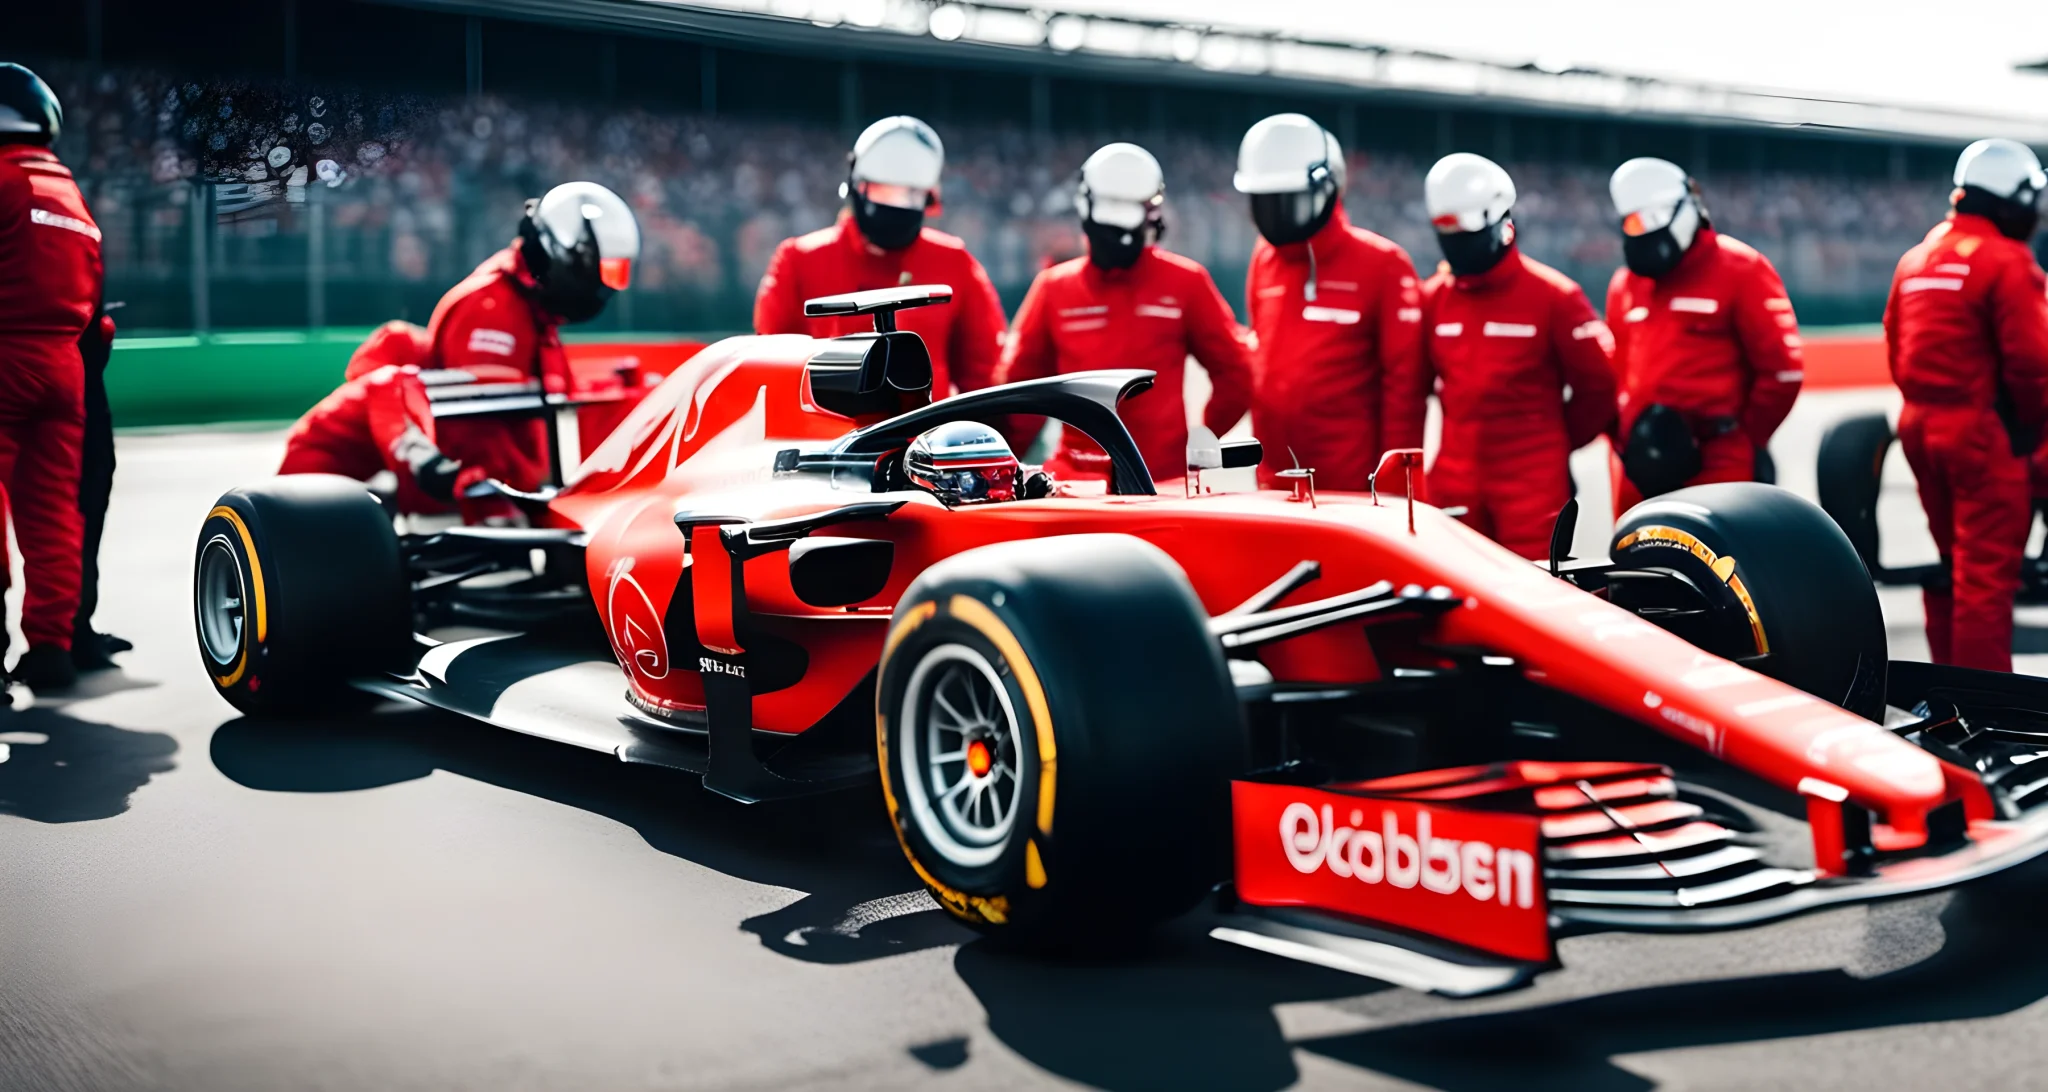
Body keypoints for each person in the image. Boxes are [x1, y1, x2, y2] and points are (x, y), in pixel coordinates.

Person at [996, 142, 1255, 481]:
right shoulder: (1053, 289)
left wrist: (1202, 439)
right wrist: (1002, 466)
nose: (1116, 239)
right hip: (1077, 483)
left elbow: (1236, 372)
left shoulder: (1186, 283)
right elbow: (1017, 391)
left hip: (1162, 483)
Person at [1886, 138, 2048, 672]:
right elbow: (2033, 364)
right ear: (2010, 200)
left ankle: (1949, 698)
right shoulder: (2007, 261)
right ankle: (1986, 714)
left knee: (1949, 565)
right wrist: (2029, 428)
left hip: (1921, 428)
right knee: (1984, 579)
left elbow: (1895, 343)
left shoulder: (1917, 257)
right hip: (1983, 435)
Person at [1418, 153, 1616, 559]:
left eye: (1466, 233)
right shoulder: (1433, 298)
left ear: (1501, 221)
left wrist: (1554, 441)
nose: (1457, 245)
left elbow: (1600, 386)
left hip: (1533, 488)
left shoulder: (1555, 298)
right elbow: (1410, 383)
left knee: (1532, 593)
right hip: (1452, 483)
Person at [418, 181, 639, 519]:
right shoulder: (489, 310)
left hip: (523, 505)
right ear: (561, 259)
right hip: (479, 519)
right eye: (601, 271)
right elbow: (477, 443)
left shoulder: (532, 309)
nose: (603, 286)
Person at [753, 116, 1006, 399]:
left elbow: (985, 378)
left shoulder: (954, 262)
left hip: (926, 438)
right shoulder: (799, 260)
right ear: (858, 189)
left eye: (911, 194)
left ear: (928, 198)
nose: (898, 203)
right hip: (827, 439)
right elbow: (771, 370)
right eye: (885, 191)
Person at [1235, 113, 1424, 492]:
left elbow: (1405, 392)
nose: (1275, 212)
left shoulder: (1383, 264)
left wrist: (1392, 492)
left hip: (1353, 491)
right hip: (1274, 484)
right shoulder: (1263, 258)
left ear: (1328, 188)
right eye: (1265, 200)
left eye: (1286, 200)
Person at [1605, 157, 1804, 516]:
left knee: (1719, 566)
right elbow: (1614, 375)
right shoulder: (1625, 285)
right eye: (1632, 224)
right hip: (1638, 466)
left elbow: (1782, 373)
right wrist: (1625, 441)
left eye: (1649, 221)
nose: (1641, 232)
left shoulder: (1743, 269)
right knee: (1633, 566)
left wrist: (1745, 438)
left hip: (1717, 461)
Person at [0, 63, 99, 693]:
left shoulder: (2, 180)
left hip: (5, 354)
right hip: (65, 368)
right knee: (52, 512)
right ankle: (51, 649)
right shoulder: (68, 191)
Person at [277, 364, 481, 513]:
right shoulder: (391, 381)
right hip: (309, 480)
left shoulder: (395, 382)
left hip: (328, 478)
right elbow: (408, 454)